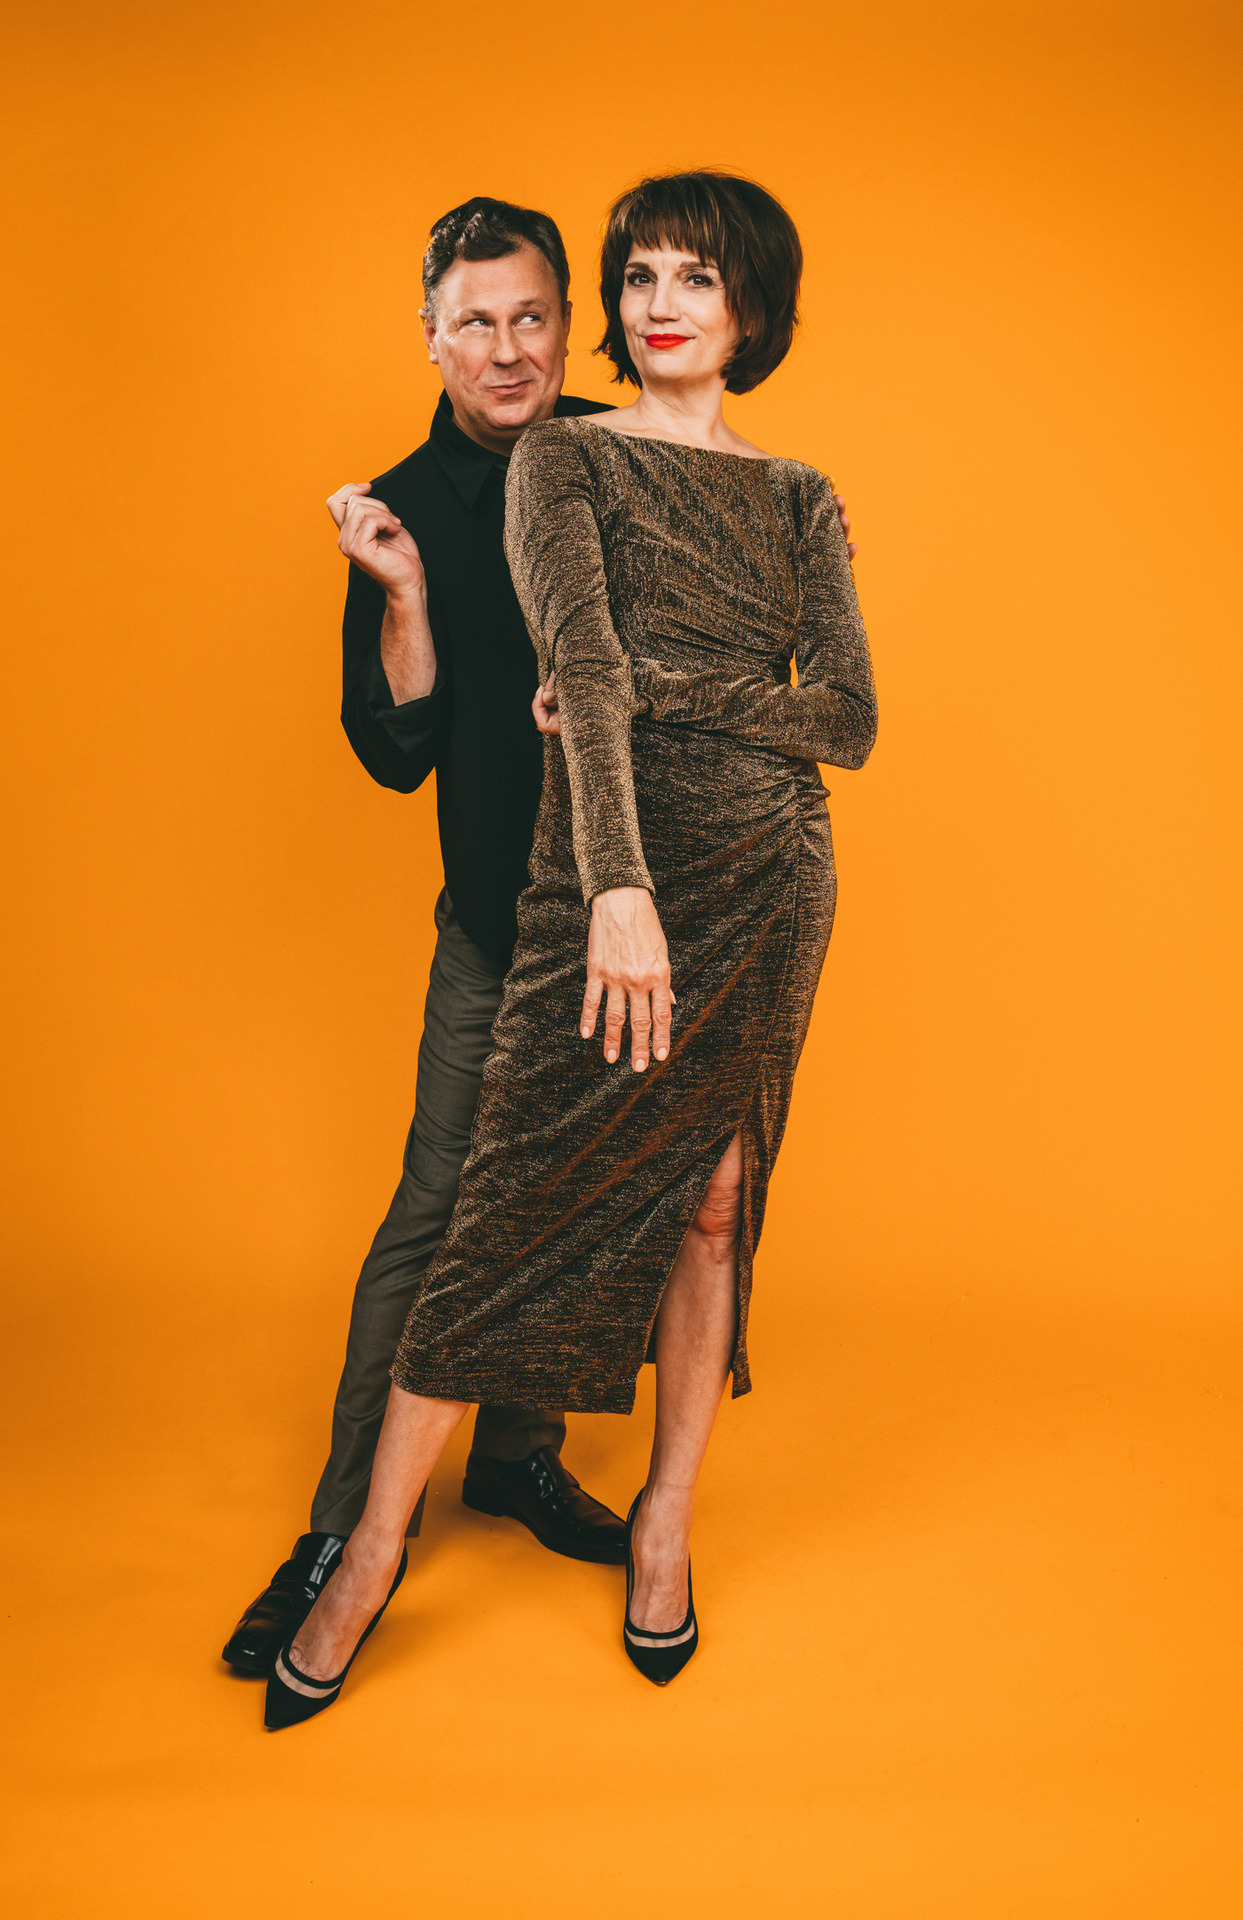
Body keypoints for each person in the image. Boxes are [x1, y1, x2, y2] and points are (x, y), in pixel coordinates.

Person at [261, 168, 877, 1727]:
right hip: (523, 907)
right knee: (458, 1214)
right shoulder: (450, 494)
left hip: (737, 884)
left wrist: (690, 674)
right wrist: (406, 598)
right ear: (432, 335)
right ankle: (346, 1537)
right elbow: (418, 740)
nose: (514, 347)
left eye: (537, 315)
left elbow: (838, 709)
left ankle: (567, 1477)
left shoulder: (711, 468)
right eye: (479, 323)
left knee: (693, 1204)